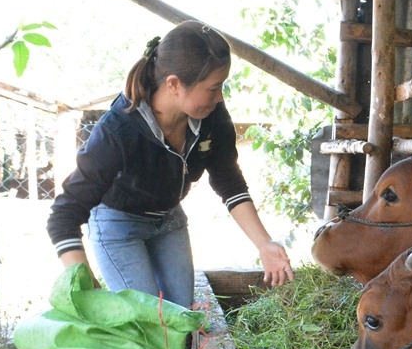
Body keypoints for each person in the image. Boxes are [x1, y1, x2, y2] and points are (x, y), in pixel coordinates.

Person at [47, 20, 294, 309]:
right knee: (152, 321)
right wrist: (84, 281)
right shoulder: (119, 131)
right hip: (119, 223)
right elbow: (63, 216)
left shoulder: (211, 116)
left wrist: (265, 244)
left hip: (168, 218)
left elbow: (229, 182)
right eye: (213, 88)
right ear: (174, 84)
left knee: (179, 318)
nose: (220, 97)